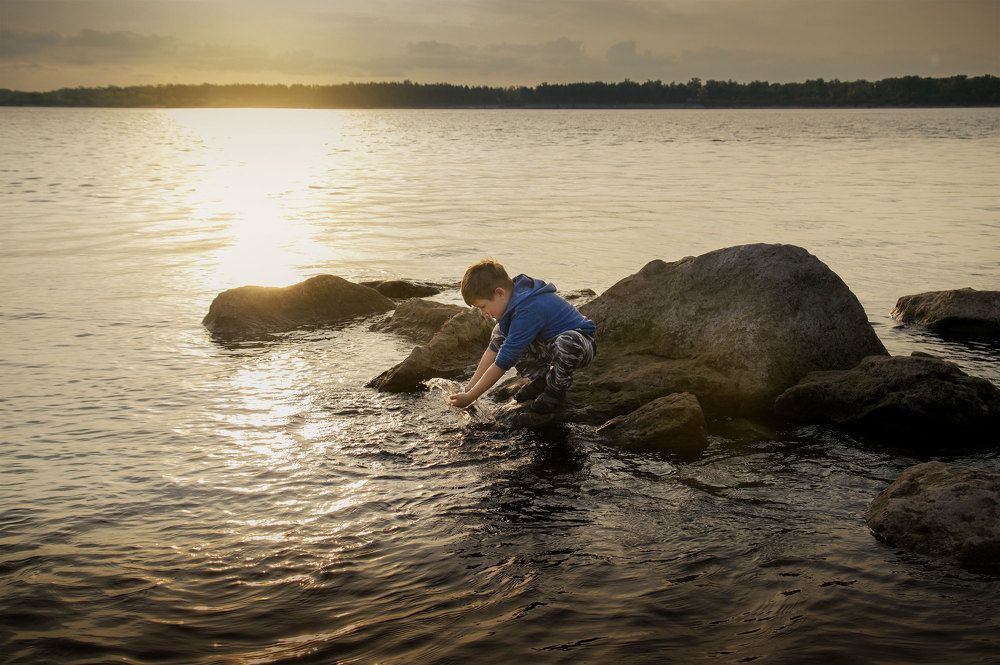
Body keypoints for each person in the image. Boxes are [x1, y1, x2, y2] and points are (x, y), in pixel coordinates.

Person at [448, 258, 596, 414]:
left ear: (499, 293)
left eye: (483, 306)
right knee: (500, 334)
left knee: (565, 343)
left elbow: (504, 361)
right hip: (547, 343)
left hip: (581, 344)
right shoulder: (511, 306)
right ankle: (541, 380)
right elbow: (492, 351)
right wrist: (468, 389)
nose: (484, 312)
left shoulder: (529, 308)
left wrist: (471, 396)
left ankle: (555, 390)